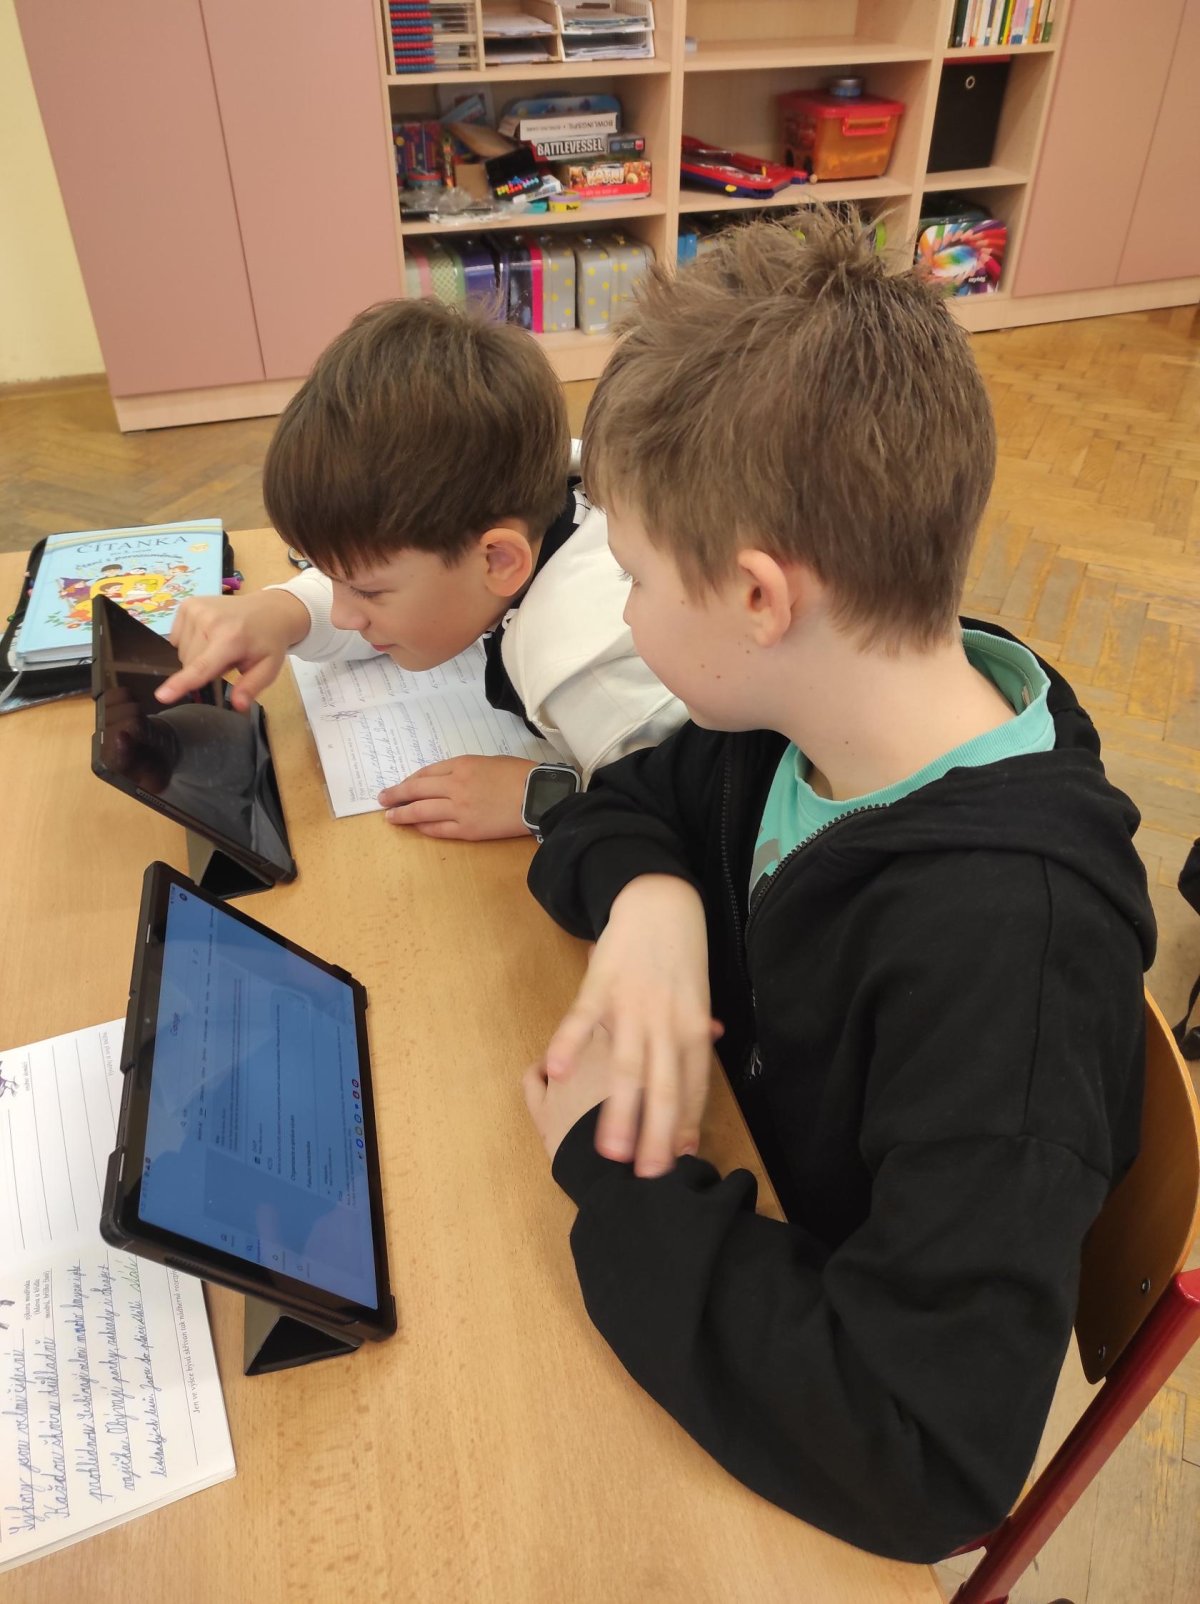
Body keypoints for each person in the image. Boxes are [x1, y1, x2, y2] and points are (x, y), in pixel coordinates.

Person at [520, 211, 1156, 1561]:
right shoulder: (799, 724)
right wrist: (654, 907)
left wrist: (616, 1179)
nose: (625, 615)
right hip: (755, 1214)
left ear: (759, 597)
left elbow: (921, 1452)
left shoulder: (1012, 962)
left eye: (634, 578)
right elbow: (623, 807)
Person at [155, 298, 683, 839]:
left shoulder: (593, 678)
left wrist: (549, 798)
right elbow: (398, 573)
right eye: (329, 576)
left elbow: (691, 819)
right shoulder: (524, 495)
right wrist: (279, 613)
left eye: (368, 592)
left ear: (498, 560)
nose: (344, 614)